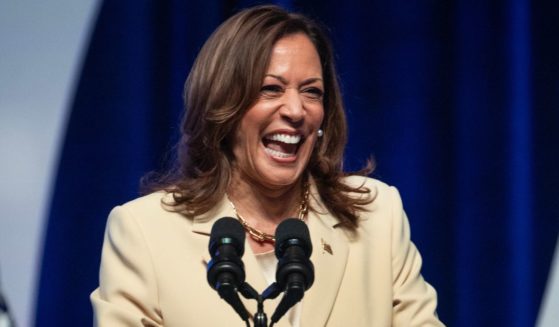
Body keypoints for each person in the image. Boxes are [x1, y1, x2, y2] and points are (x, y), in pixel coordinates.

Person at [91, 5, 444, 326]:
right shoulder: (145, 232)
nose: (295, 111)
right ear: (223, 106)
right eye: (271, 89)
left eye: (311, 92)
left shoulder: (377, 215)